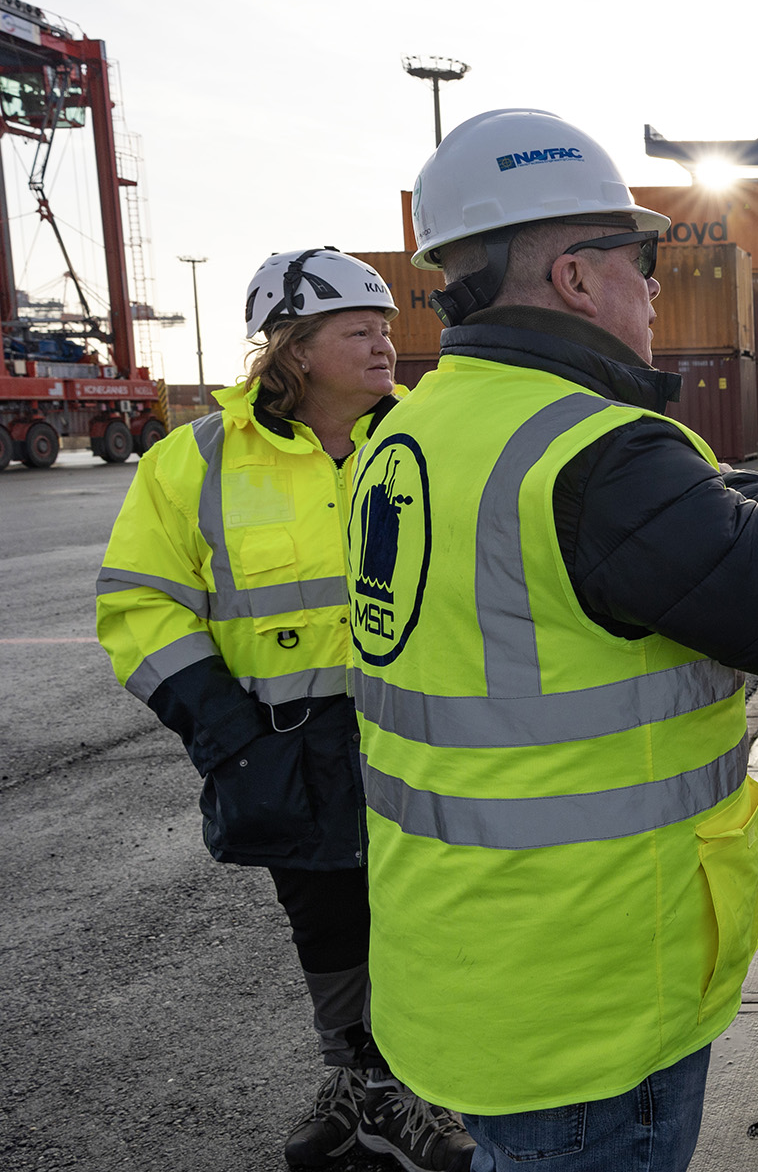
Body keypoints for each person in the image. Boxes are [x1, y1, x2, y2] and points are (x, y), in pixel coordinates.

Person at [348, 108, 758, 1172]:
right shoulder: (600, 455)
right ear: (578, 278)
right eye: (641, 261)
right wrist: (735, 482)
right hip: (593, 985)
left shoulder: (403, 432)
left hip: (454, 953)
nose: (655, 288)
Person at [96, 249, 476, 1170]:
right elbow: (139, 602)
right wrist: (224, 733)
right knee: (327, 923)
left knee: (429, 919)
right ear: (295, 349)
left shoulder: (429, 438)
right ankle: (356, 1082)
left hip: (421, 741)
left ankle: (418, 1088)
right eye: (359, 331)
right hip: (284, 745)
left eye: (386, 329)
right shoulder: (196, 460)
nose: (386, 346)